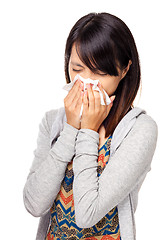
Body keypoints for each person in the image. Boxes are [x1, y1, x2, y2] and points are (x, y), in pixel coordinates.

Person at [23, 12, 158, 240]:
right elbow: (34, 204)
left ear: (124, 70)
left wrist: (88, 131)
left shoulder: (140, 129)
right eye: (77, 70)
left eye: (100, 73)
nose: (86, 83)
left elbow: (87, 213)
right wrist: (71, 130)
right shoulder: (53, 122)